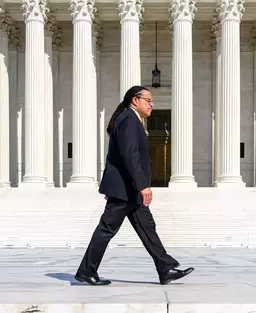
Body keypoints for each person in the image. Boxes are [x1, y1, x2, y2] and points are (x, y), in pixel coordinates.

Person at [75, 85, 194, 286]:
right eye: (148, 100)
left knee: (148, 227)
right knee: (106, 229)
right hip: (125, 190)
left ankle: (165, 268)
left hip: (128, 189)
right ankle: (87, 271)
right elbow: (130, 155)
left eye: (152, 101)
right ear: (135, 100)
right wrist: (143, 185)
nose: (152, 105)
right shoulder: (129, 120)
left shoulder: (130, 120)